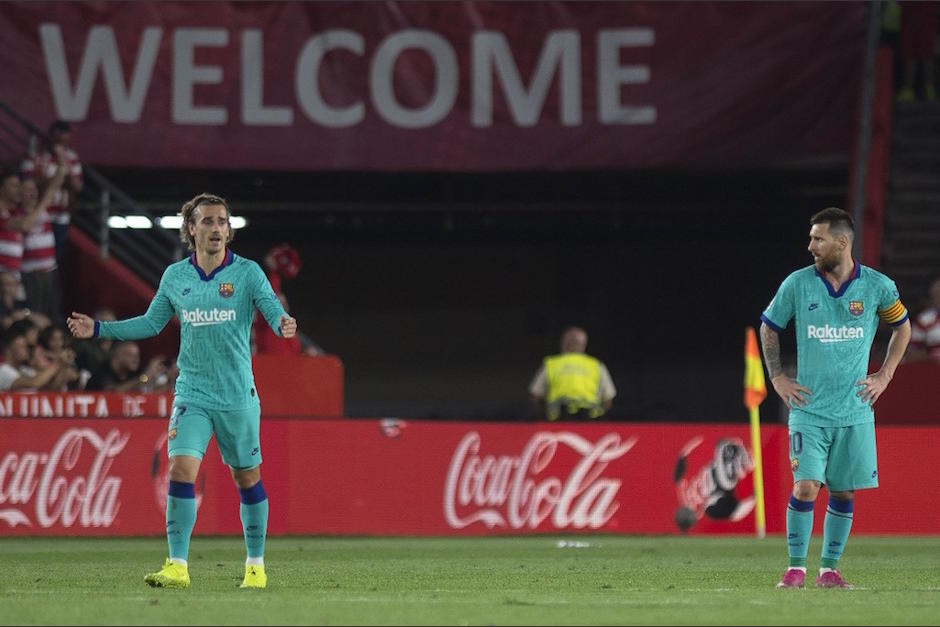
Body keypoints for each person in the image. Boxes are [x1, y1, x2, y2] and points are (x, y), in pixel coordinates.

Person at [66, 192, 297, 590]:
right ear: (191, 229)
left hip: (238, 395)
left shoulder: (247, 273)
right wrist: (100, 329)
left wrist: (282, 323)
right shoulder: (176, 276)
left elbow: (270, 307)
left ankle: (255, 566)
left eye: (222, 222)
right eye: (207, 221)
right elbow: (151, 323)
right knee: (180, 469)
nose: (216, 229)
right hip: (192, 392)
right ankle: (177, 565)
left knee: (247, 478)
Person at [759, 207, 911, 589]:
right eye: (811, 238)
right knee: (806, 485)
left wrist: (885, 374)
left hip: (855, 411)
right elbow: (769, 327)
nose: (810, 245)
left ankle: (829, 570)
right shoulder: (797, 284)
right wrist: (777, 377)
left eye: (818, 238)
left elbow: (903, 327)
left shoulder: (877, 286)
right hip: (809, 409)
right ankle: (795, 568)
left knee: (843, 490)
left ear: (842, 242)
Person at [21, 120, 84, 266]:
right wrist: (56, 180)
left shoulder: (71, 158)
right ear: (50, 137)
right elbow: (28, 182)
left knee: (56, 257)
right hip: (39, 214)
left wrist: (62, 161)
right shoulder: (36, 157)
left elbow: (77, 186)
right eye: (58, 139)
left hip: (61, 216)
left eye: (64, 141)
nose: (60, 144)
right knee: (33, 253)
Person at [527, 325, 617, 421]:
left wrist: (541, 418)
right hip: (589, 422)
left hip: (557, 422)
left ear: (563, 343)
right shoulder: (596, 365)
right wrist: (600, 417)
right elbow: (608, 399)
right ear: (583, 344)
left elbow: (534, 397)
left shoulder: (551, 365)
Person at [84, 340, 175, 393]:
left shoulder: (134, 371)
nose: (136, 359)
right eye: (130, 355)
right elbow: (112, 394)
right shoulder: (102, 370)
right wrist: (145, 377)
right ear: (117, 356)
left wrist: (170, 381)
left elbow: (147, 393)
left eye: (137, 356)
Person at [896, 1, 938, 103]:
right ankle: (911, 89)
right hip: (913, 17)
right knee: (912, 54)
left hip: (925, 17)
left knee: (924, 54)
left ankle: (927, 89)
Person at [907, 275, 940, 363]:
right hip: (932, 369)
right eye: (936, 294)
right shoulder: (923, 320)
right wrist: (933, 357)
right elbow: (912, 354)